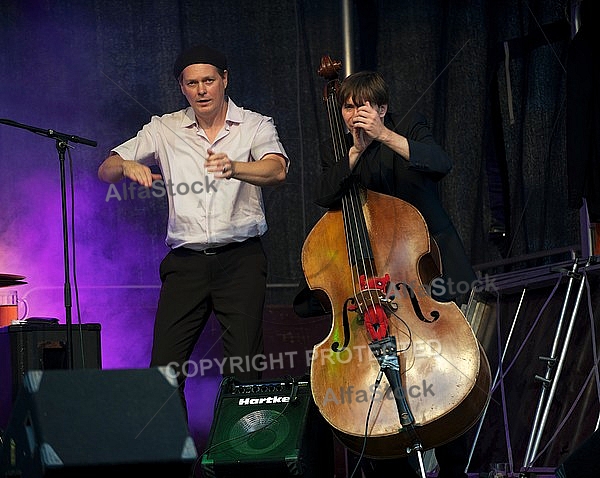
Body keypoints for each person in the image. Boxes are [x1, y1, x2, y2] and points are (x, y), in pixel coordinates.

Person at [299, 70, 477, 478]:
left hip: (423, 271)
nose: (355, 113)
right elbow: (325, 194)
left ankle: (454, 462)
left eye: (364, 105)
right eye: (348, 106)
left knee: (440, 365)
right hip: (365, 286)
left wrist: (383, 136)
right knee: (374, 377)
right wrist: (356, 153)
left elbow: (440, 162)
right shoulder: (339, 148)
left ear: (381, 107)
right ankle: (388, 456)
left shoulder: (408, 128)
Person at [97, 44, 289, 418]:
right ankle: (179, 459)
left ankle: (237, 459)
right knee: (164, 373)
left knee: (245, 373)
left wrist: (235, 167)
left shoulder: (255, 124)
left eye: (208, 81)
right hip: (185, 265)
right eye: (192, 83)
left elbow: (277, 170)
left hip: (241, 261)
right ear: (182, 87)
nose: (201, 90)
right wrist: (124, 167)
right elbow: (106, 168)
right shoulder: (164, 128)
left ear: (224, 80)